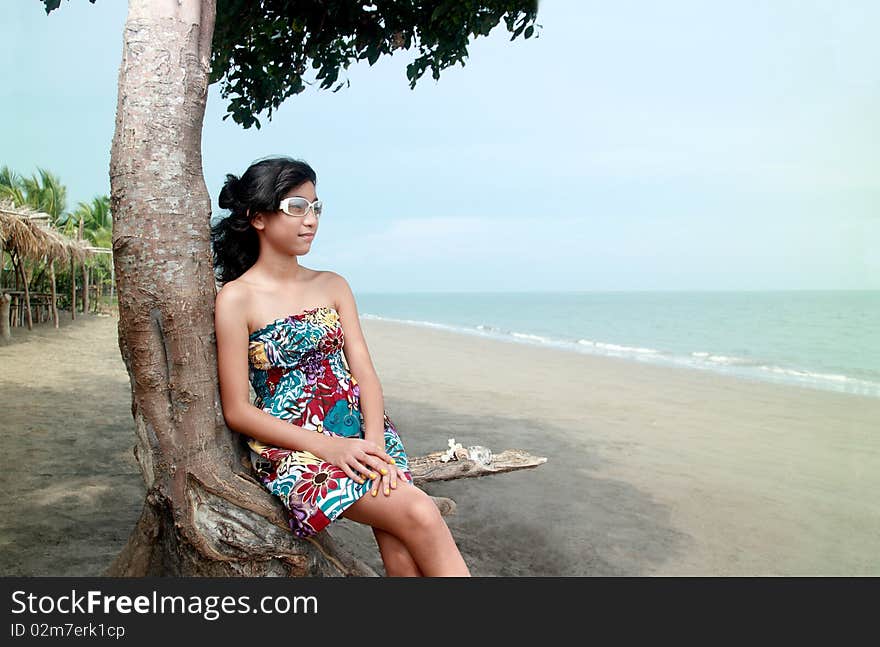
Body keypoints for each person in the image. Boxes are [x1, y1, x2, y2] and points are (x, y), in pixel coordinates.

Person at [211, 155, 470, 577]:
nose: (310, 219)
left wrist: (375, 446)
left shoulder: (332, 284)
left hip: (365, 433)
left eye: (316, 207)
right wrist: (329, 446)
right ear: (258, 217)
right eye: (296, 207)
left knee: (402, 553)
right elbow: (238, 410)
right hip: (297, 449)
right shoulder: (236, 299)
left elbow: (364, 371)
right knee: (421, 514)